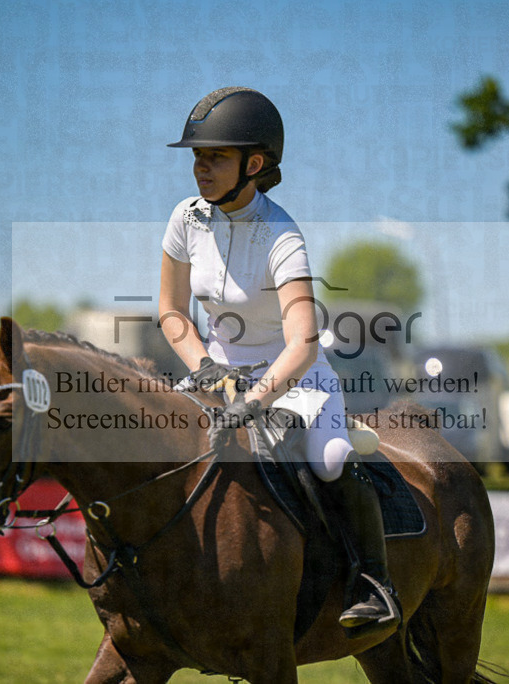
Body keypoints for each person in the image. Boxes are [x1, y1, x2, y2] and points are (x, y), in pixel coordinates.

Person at [158, 87, 400, 635]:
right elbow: (171, 311)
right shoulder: (185, 220)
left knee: (333, 456)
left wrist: (255, 399)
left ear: (255, 164)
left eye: (215, 156)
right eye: (197, 156)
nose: (200, 167)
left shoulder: (283, 236)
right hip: (214, 375)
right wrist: (204, 366)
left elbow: (303, 343)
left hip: (293, 380)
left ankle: (374, 582)